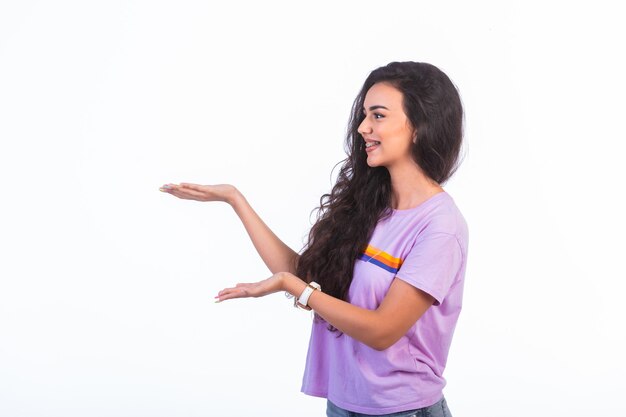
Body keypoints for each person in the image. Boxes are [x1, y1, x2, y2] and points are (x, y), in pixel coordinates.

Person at [159, 61, 468, 417]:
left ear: (419, 127)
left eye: (378, 116)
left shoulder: (440, 226)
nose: (363, 127)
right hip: (343, 404)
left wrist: (296, 288)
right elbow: (305, 274)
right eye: (364, 115)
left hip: (401, 409)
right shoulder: (370, 207)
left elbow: (383, 330)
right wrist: (235, 199)